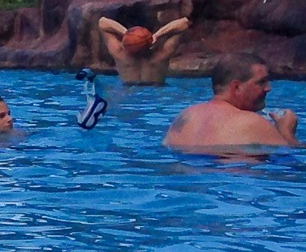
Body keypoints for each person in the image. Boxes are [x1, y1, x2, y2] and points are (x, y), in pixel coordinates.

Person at [166, 54, 299, 151]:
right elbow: (291, 166)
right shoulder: (252, 122)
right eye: (261, 82)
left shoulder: (184, 117)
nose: (268, 88)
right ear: (236, 87)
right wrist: (287, 133)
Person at [98, 16, 190, 86]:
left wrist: (127, 33)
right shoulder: (161, 57)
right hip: (157, 93)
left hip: (129, 93)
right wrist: (157, 36)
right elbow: (184, 23)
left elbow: (102, 22)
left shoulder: (120, 55)